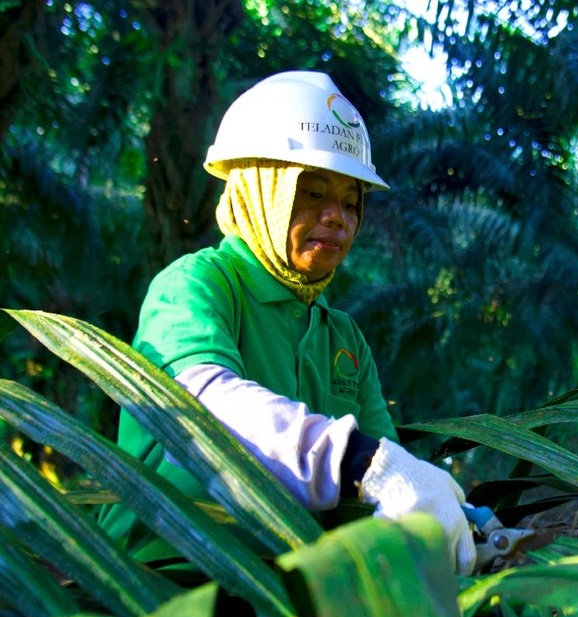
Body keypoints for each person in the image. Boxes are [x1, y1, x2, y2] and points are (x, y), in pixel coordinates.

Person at [98, 70, 476, 574]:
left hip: (284, 591)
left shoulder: (343, 337)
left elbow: (379, 490)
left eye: (350, 202)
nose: (337, 217)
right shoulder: (194, 285)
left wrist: (444, 516)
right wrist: (365, 463)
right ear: (259, 191)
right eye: (312, 193)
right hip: (160, 579)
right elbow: (205, 409)